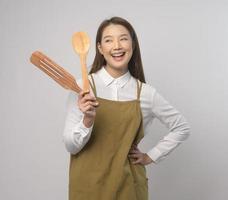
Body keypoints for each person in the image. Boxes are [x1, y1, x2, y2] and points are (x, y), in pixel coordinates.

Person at [62, 16, 190, 200]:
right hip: (87, 187)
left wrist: (151, 156)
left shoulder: (146, 93)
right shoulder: (81, 87)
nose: (117, 46)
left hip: (129, 187)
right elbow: (71, 147)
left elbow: (182, 127)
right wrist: (87, 120)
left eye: (123, 38)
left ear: (133, 44)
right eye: (108, 40)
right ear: (100, 48)